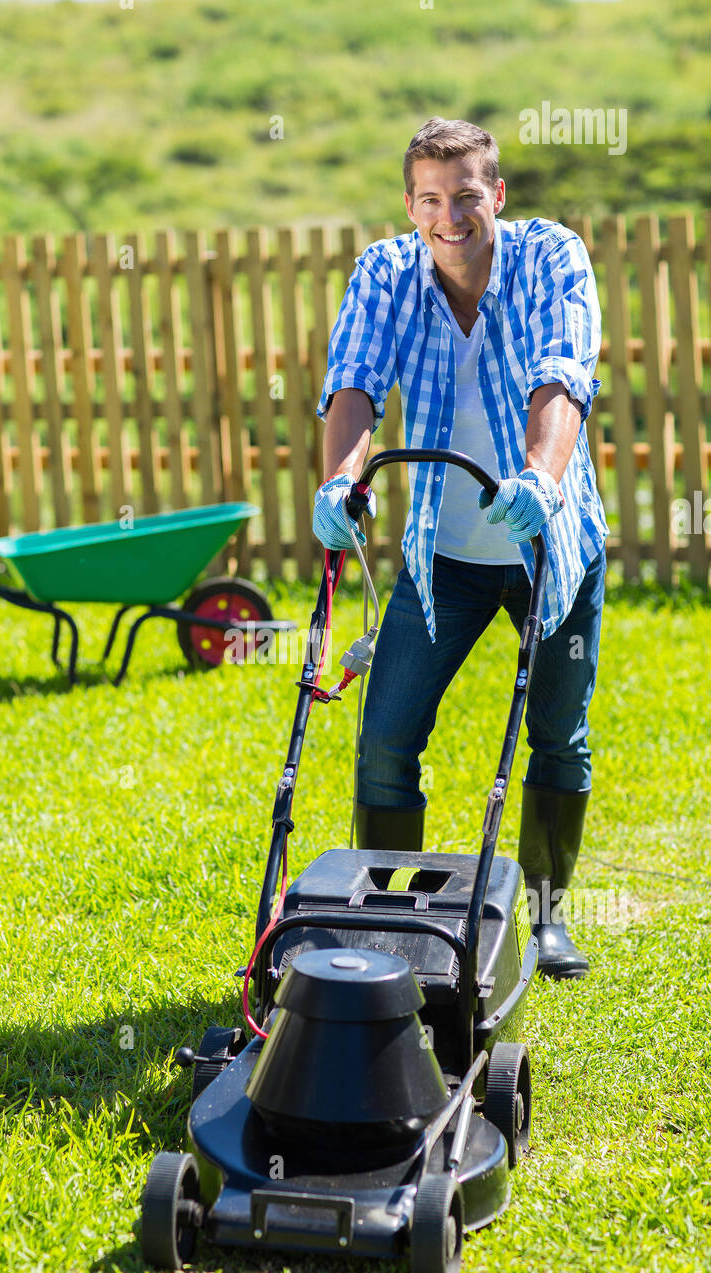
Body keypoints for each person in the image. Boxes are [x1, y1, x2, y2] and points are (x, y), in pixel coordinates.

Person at [312, 118, 608, 981]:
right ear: (411, 205)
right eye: (431, 200)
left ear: (497, 197)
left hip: (548, 541)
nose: (450, 217)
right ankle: (386, 912)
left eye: (467, 197)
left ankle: (549, 920)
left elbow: (564, 375)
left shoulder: (552, 258)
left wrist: (542, 480)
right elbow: (355, 383)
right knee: (387, 736)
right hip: (441, 553)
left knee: (558, 734)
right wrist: (340, 482)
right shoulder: (385, 273)